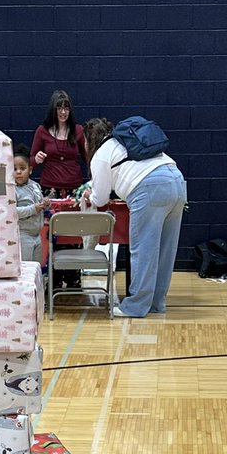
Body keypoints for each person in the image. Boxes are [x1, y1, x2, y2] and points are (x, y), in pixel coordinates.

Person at [83, 116, 187, 318]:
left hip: (150, 188)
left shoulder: (101, 155)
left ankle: (136, 306)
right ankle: (156, 303)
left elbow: (100, 198)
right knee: (166, 250)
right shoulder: (124, 141)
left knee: (144, 250)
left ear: (89, 140)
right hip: (177, 180)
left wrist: (89, 195)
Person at [31, 91, 87, 198]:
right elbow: (30, 161)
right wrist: (37, 159)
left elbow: (88, 159)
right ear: (53, 110)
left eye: (66, 108)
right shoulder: (42, 130)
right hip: (49, 187)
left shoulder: (79, 130)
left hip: (74, 187)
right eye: (59, 108)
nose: (63, 112)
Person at [13, 144, 49, 264]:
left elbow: (40, 205)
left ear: (30, 170)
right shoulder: (12, 190)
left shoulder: (35, 185)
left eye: (22, 168)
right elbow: (13, 212)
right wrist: (33, 209)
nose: (18, 172)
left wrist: (45, 203)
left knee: (36, 266)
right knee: (25, 267)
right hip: (22, 234)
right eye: (14, 169)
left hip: (37, 234)